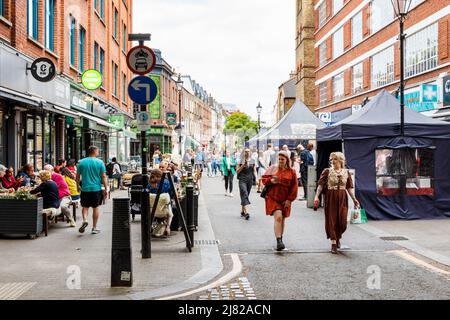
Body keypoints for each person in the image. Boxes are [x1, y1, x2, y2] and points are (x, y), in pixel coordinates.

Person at [314, 152, 360, 254]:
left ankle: (338, 236)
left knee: (342, 221)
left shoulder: (346, 172)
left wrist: (354, 199)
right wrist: (316, 197)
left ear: (340, 160)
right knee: (331, 219)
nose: (332, 161)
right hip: (331, 197)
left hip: (342, 197)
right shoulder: (327, 171)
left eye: (334, 159)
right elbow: (320, 186)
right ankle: (333, 243)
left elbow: (349, 187)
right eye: (332, 159)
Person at [262, 151, 298, 251]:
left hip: (285, 199)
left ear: (287, 160)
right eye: (279, 159)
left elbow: (294, 187)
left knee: (282, 219)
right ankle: (278, 241)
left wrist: (290, 200)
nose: (280, 161)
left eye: (282, 159)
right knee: (278, 217)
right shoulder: (273, 168)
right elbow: (264, 180)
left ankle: (280, 239)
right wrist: (271, 181)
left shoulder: (292, 171)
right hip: (273, 198)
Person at [76, 146, 108, 234]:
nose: (98, 153)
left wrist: (77, 186)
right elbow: (103, 176)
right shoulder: (100, 162)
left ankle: (85, 220)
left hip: (85, 188)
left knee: (85, 207)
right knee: (95, 207)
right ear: (94, 152)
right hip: (96, 189)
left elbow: (77, 176)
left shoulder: (81, 162)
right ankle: (94, 228)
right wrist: (106, 188)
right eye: (98, 151)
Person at [236, 149, 257, 220]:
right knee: (244, 193)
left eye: (248, 151)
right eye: (246, 151)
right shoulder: (240, 160)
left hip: (250, 180)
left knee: (245, 195)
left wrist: (256, 179)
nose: (247, 152)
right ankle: (246, 212)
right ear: (243, 153)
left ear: (250, 152)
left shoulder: (253, 160)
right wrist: (242, 166)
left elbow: (254, 171)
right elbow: (237, 171)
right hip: (242, 179)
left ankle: (242, 211)